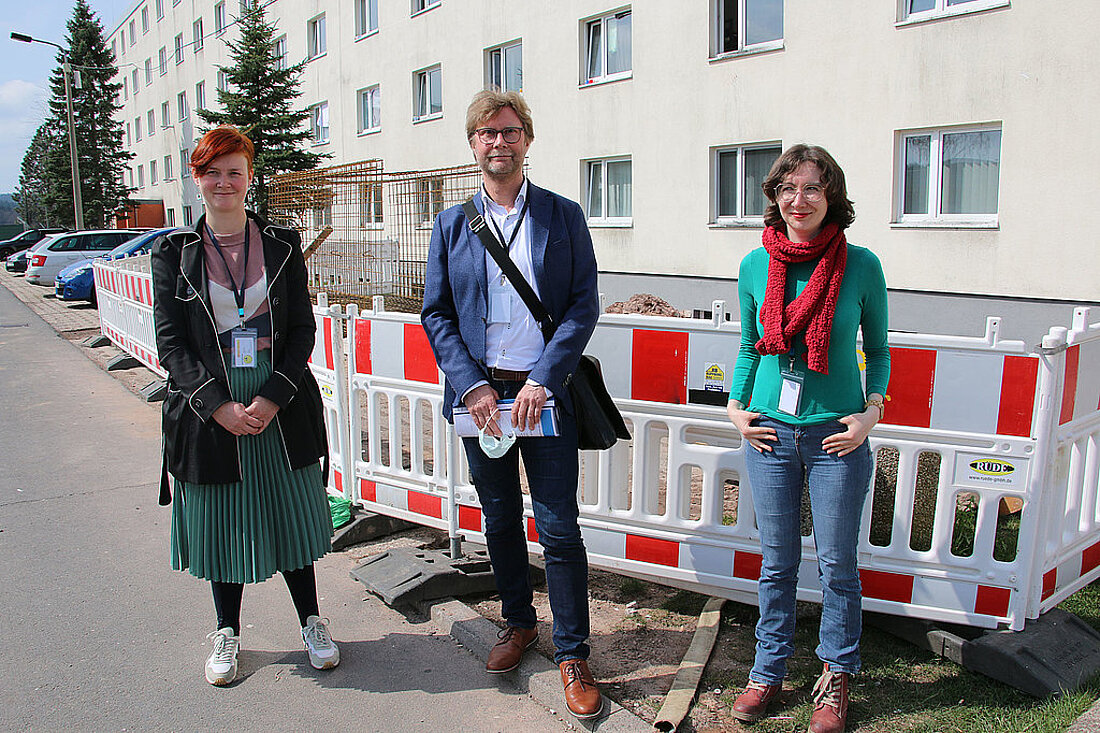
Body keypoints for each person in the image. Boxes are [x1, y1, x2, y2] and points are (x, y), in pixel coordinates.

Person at [421, 90, 603, 719]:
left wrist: (542, 381)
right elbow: (437, 314)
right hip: (482, 397)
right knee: (498, 518)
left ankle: (573, 652)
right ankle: (519, 623)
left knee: (558, 527)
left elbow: (583, 306)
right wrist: (471, 386)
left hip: (541, 393)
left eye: (510, 130)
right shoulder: (451, 224)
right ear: (473, 144)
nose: (499, 141)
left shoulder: (562, 215)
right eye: (486, 132)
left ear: (528, 138)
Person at [151, 125, 339, 686]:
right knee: (222, 521)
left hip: (277, 399)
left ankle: (311, 621)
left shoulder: (281, 244)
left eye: (235, 170)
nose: (224, 182)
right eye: (213, 172)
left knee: (287, 515)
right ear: (197, 179)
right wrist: (217, 406)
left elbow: (303, 333)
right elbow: (171, 343)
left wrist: (271, 397)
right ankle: (227, 633)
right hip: (209, 404)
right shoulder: (174, 254)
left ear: (249, 176)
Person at [726, 144, 889, 733]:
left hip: (834, 438)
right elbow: (749, 346)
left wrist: (870, 414)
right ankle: (767, 671)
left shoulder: (862, 265)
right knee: (777, 564)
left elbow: (881, 351)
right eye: (788, 188)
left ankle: (834, 678)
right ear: (775, 196)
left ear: (832, 197)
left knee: (838, 564)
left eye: (813, 188)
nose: (800, 199)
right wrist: (736, 409)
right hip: (770, 432)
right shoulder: (753, 264)